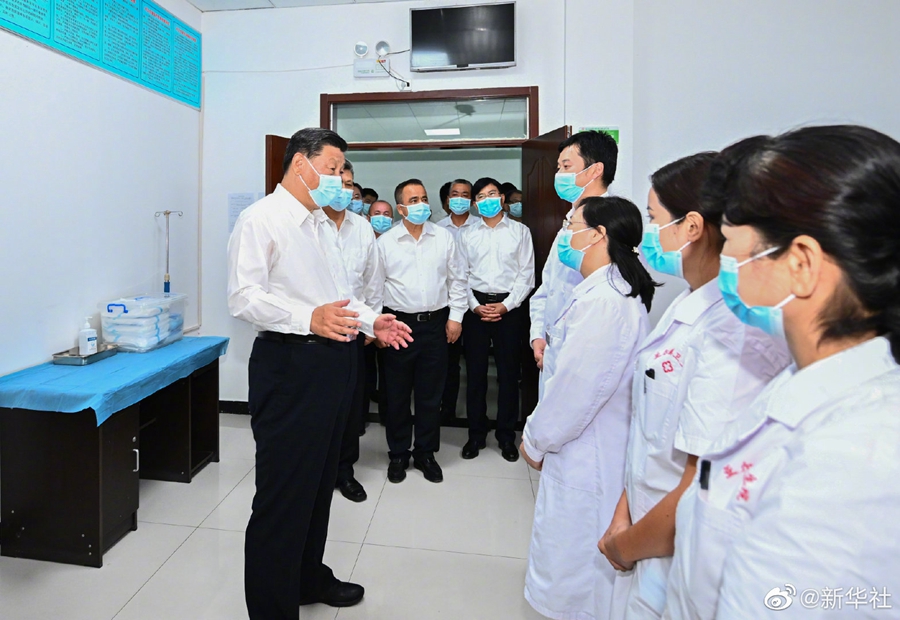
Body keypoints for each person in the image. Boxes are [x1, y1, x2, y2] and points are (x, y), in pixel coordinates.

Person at [663, 125, 900, 619]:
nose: (723, 259)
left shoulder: (856, 461)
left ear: (802, 263)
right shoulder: (808, 382)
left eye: (731, 242)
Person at [227, 127, 412, 620]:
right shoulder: (261, 219)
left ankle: (308, 577)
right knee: (284, 495)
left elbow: (338, 295)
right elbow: (243, 297)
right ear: (299, 164)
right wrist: (306, 318)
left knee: (318, 484)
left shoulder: (321, 224)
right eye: (331, 168)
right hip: (290, 366)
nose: (337, 179)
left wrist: (372, 322)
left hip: (336, 361)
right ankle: (272, 608)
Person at [596, 153, 791, 619]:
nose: (649, 233)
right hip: (646, 522)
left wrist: (625, 545)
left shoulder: (734, 332)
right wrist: (625, 508)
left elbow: (700, 482)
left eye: (653, 219)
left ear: (691, 227)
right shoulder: (690, 304)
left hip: (672, 545)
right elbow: (653, 438)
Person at [520, 196, 655, 620]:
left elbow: (574, 391)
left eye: (572, 225)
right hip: (588, 444)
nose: (565, 233)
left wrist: (535, 440)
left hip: (588, 453)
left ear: (598, 235)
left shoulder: (605, 302)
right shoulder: (601, 290)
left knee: (578, 565)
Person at [375, 179, 467, 483]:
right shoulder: (386, 243)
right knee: (397, 395)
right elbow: (374, 288)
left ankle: (426, 453)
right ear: (401, 208)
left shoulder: (443, 238)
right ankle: (398, 453)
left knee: (430, 395)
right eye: (413, 200)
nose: (421, 205)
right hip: (398, 325)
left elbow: (457, 280)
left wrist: (456, 318)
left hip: (436, 325)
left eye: (424, 199)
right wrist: (377, 326)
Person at [529, 131, 618, 394]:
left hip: (582, 356)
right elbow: (547, 288)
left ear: (595, 170)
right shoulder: (570, 222)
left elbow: (607, 305)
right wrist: (538, 334)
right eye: (559, 168)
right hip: (552, 348)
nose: (559, 174)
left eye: (566, 167)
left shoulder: (612, 227)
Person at [457, 177, 535, 461]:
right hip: (475, 308)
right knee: (475, 374)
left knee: (508, 374)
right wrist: (474, 306)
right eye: (481, 197)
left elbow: (527, 275)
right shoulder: (467, 234)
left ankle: (506, 436)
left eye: (492, 194)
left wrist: (506, 305)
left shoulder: (520, 232)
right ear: (475, 204)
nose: (487, 200)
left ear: (502, 198)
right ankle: (476, 435)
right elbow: (460, 275)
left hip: (510, 309)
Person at [322, 160, 381, 504]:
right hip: (313, 332)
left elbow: (372, 281)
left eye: (349, 184)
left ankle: (344, 471)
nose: (343, 190)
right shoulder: (309, 224)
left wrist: (373, 322)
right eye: (337, 183)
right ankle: (316, 471)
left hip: (353, 331)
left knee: (350, 407)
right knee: (317, 408)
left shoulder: (361, 228)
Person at [436, 178, 479, 423]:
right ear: (447, 199)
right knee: (448, 361)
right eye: (455, 194)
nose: (459, 198)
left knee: (474, 361)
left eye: (465, 194)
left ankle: (475, 415)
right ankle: (447, 408)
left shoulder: (479, 227)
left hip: (474, 305)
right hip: (448, 305)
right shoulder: (437, 229)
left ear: (472, 201)